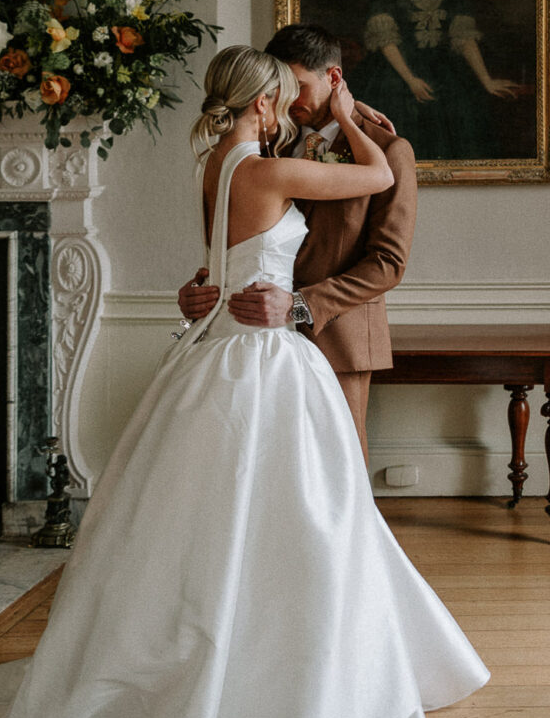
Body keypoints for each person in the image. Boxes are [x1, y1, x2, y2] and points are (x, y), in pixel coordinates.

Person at [0, 45, 489, 718]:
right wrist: (343, 121)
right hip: (259, 360)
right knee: (287, 520)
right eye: (286, 99)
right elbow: (368, 182)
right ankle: (270, 684)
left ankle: (285, 661)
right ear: (267, 101)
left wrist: (218, 287)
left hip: (251, 346)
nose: (294, 110)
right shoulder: (267, 167)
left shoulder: (222, 165)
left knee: (270, 524)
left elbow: (291, 260)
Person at [179, 23, 417, 461]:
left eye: (299, 86)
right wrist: (208, 283)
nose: (289, 99)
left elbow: (388, 263)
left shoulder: (389, 149)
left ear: (334, 79)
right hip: (257, 331)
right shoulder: (275, 141)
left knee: (336, 466)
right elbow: (252, 233)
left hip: (336, 334)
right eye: (280, 87)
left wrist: (300, 304)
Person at [348, 0, 519, 159]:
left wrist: (485, 80)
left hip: (444, 70)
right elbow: (385, 38)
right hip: (399, 72)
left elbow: (462, 35)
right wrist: (410, 79)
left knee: (461, 112)